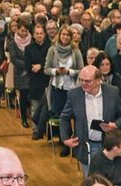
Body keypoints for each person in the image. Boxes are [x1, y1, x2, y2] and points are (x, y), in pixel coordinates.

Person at [60, 65, 121, 173]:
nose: (83, 83)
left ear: (98, 80)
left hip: (109, 146)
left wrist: (115, 125)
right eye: (81, 80)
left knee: (110, 179)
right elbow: (64, 117)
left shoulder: (113, 92)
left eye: (88, 81)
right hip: (87, 146)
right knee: (91, 180)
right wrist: (65, 139)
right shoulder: (74, 95)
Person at [45, 24, 83, 155]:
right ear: (59, 35)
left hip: (72, 88)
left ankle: (77, 142)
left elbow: (81, 70)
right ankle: (64, 143)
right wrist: (56, 71)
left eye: (68, 35)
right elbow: (46, 69)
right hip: (58, 88)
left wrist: (69, 72)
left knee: (75, 116)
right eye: (63, 34)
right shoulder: (52, 50)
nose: (65, 37)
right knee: (62, 117)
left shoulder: (75, 51)